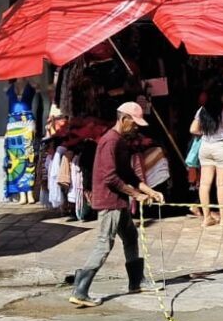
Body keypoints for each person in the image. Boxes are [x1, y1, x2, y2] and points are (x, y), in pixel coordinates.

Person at [68, 102, 165, 307]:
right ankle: (81, 289)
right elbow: (110, 177)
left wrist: (150, 191)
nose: (136, 127)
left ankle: (136, 281)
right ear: (123, 119)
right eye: (134, 122)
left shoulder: (121, 141)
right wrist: (135, 195)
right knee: (104, 245)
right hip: (109, 202)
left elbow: (127, 174)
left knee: (130, 237)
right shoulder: (109, 142)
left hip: (119, 201)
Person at [190, 84, 223, 227]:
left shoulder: (202, 110)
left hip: (206, 148)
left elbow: (193, 129)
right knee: (222, 185)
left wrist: (205, 132)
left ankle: (207, 218)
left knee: (204, 184)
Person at [4, 78, 37, 204]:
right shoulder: (8, 88)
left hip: (27, 122)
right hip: (13, 123)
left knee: (29, 157)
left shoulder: (31, 84)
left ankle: (29, 191)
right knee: (15, 158)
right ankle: (21, 192)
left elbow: (36, 87)